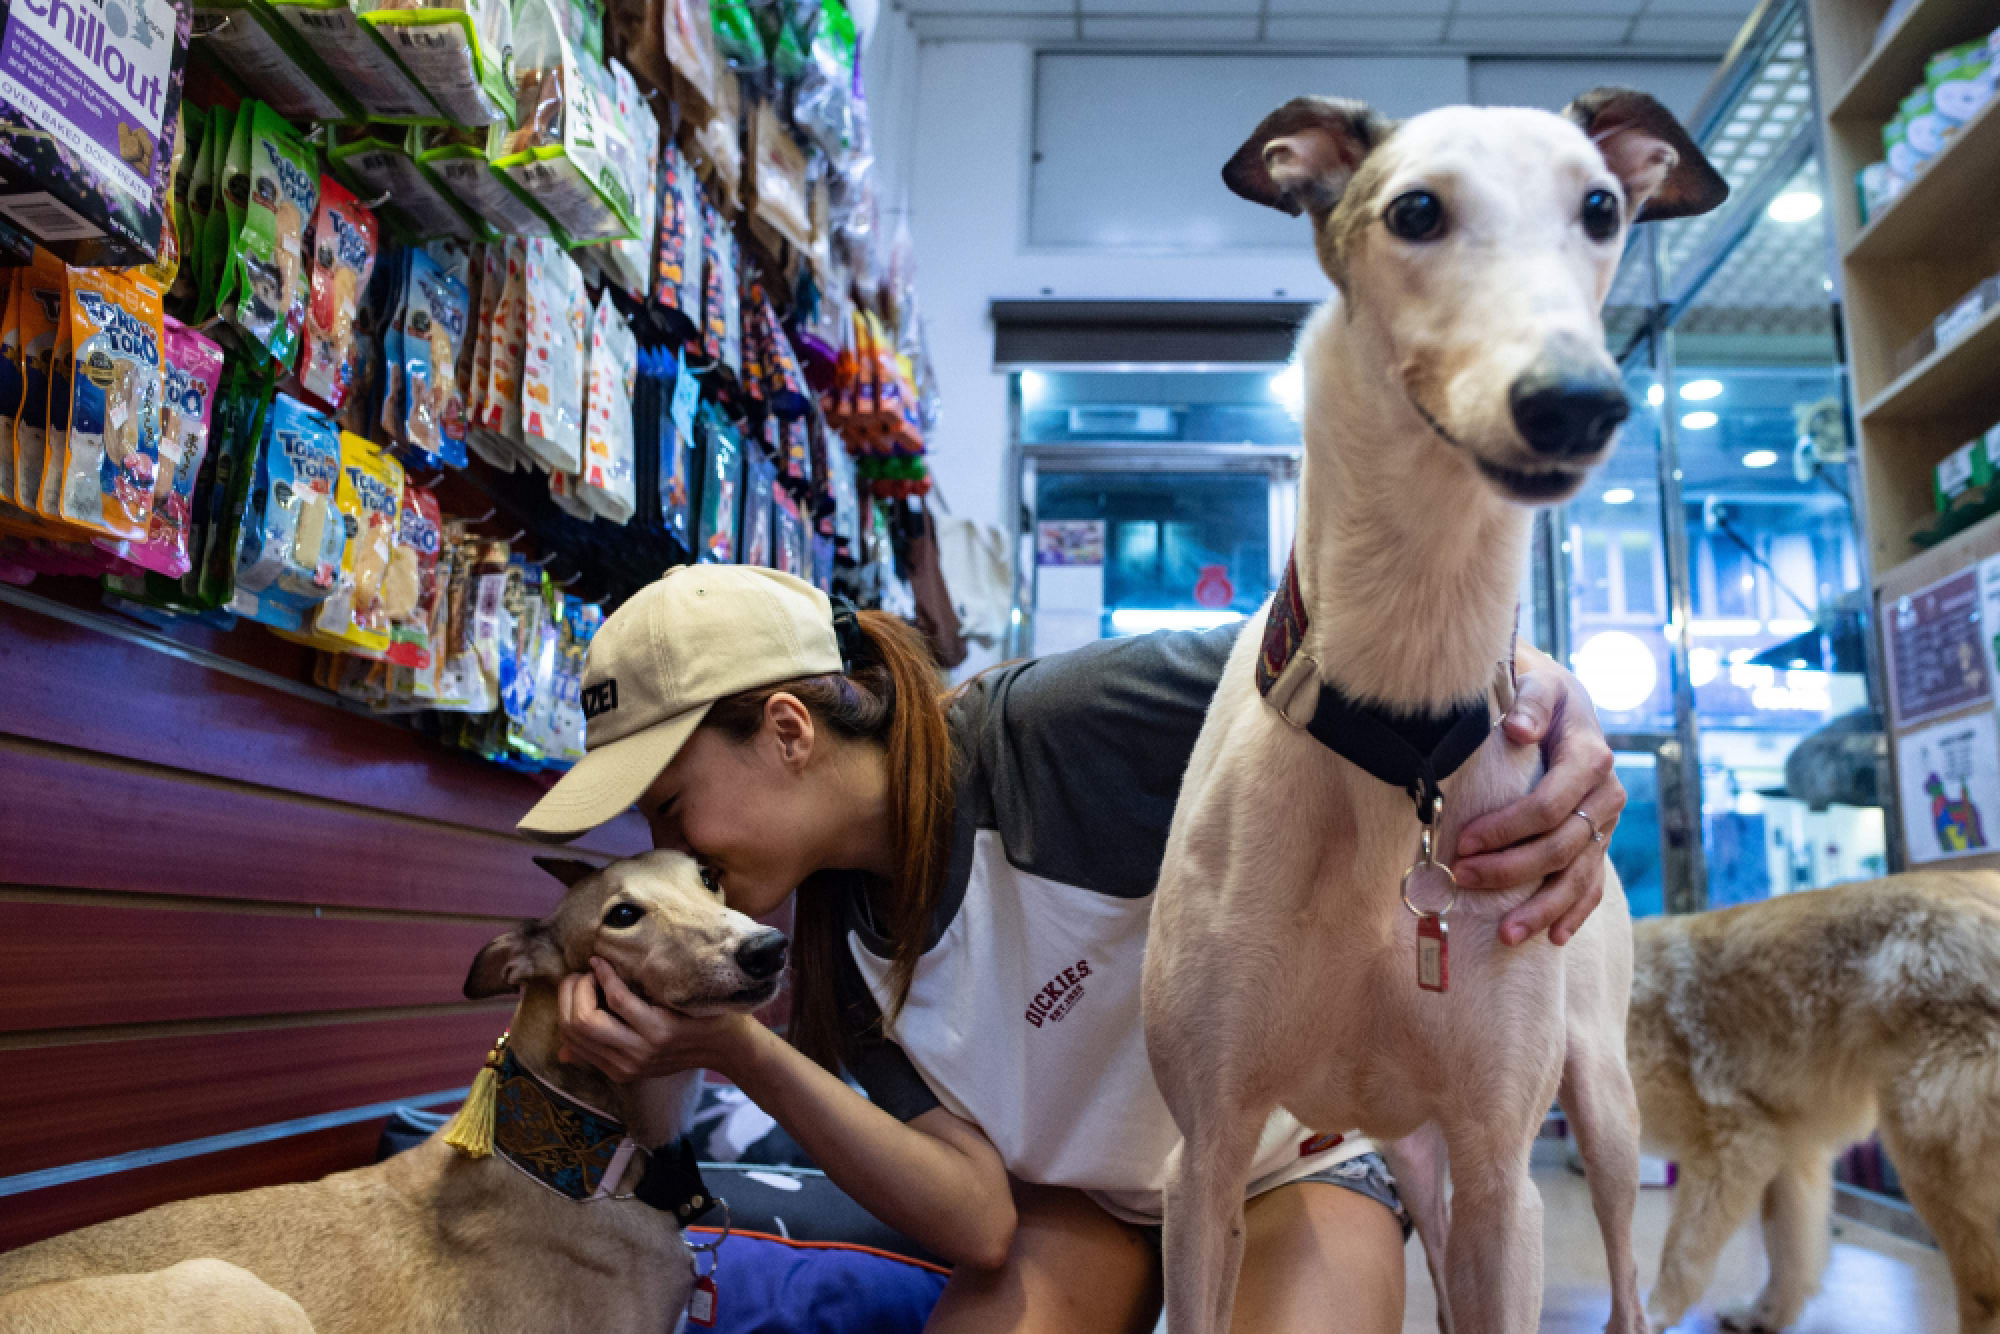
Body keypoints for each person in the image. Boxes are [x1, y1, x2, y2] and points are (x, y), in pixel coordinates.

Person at [519, 565, 1625, 1333]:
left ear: (788, 729)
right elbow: (978, 1217)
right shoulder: (834, 946)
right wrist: (736, 1047)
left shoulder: (1055, 731)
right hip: (1083, 1200)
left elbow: (1350, 653)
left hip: (1291, 1150)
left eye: (670, 805)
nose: (665, 850)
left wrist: (1545, 705)